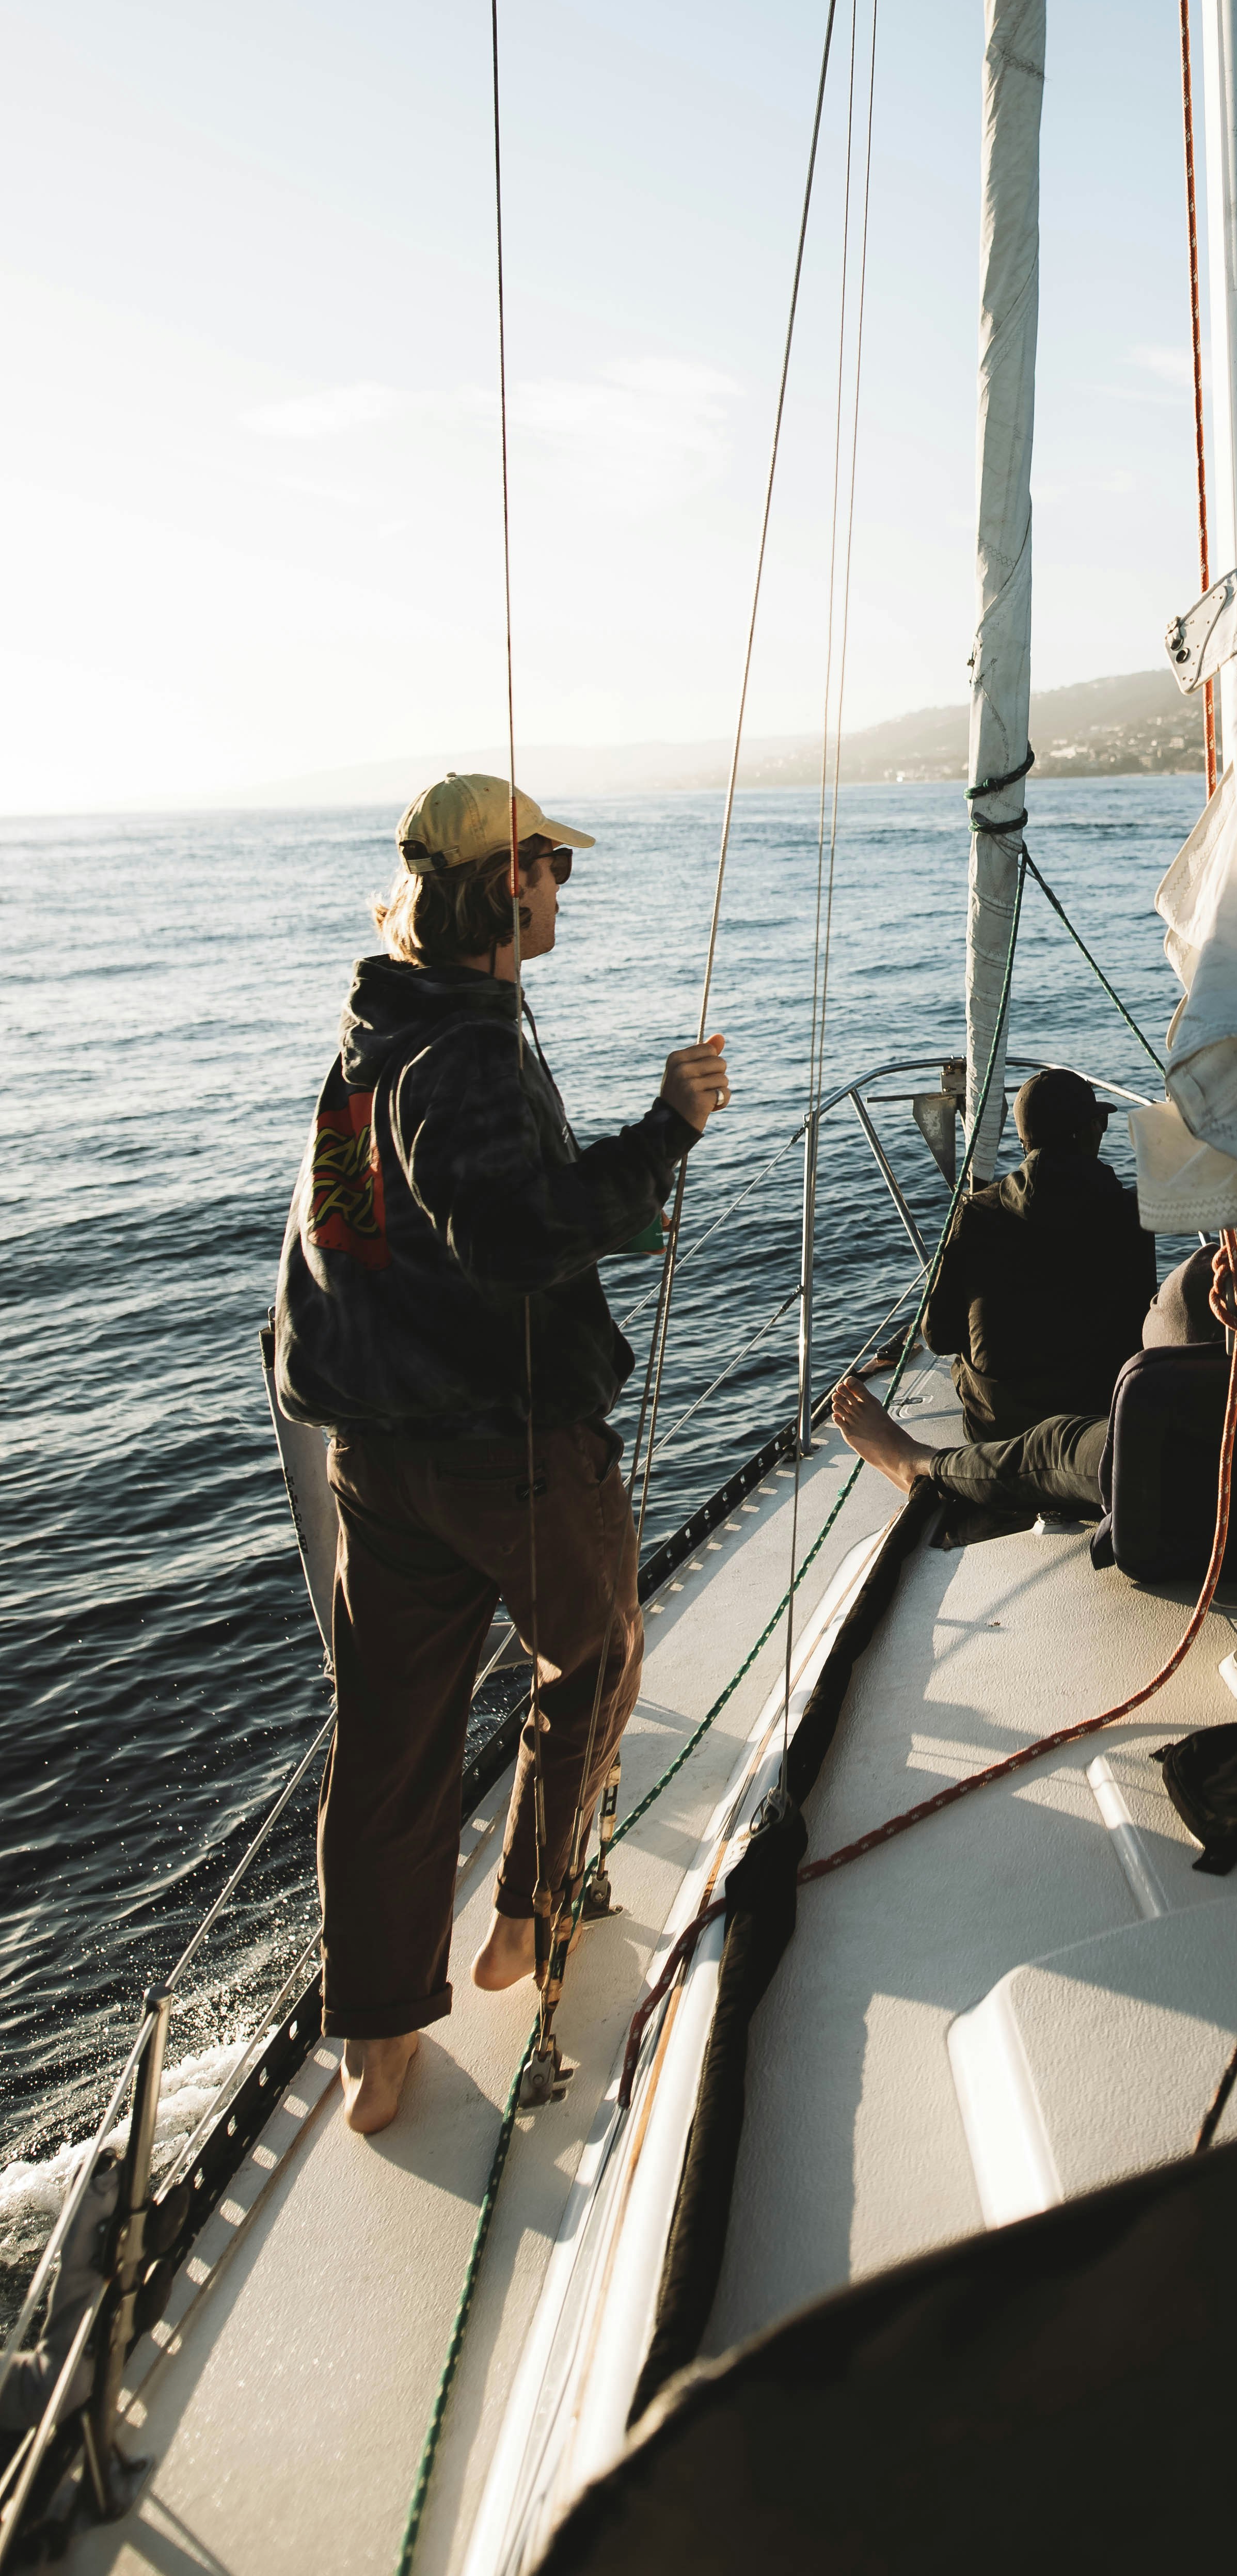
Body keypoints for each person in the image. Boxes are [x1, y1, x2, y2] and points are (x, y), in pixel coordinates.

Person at [273, 770, 733, 2134]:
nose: (561, 891)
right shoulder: (468, 1047)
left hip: (379, 1454)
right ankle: (528, 1913)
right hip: (509, 1450)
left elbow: (383, 1222)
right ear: (501, 883)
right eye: (551, 868)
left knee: (392, 1750)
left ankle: (376, 2041)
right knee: (593, 1656)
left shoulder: (378, 1028)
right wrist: (669, 1131)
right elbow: (513, 1236)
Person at [832, 1066, 1155, 1525]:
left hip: (1000, 1431)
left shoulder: (976, 1213)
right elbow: (1138, 1322)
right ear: (1091, 1131)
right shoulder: (1132, 1212)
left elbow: (939, 1336)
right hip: (1101, 1423)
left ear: (1024, 1143)